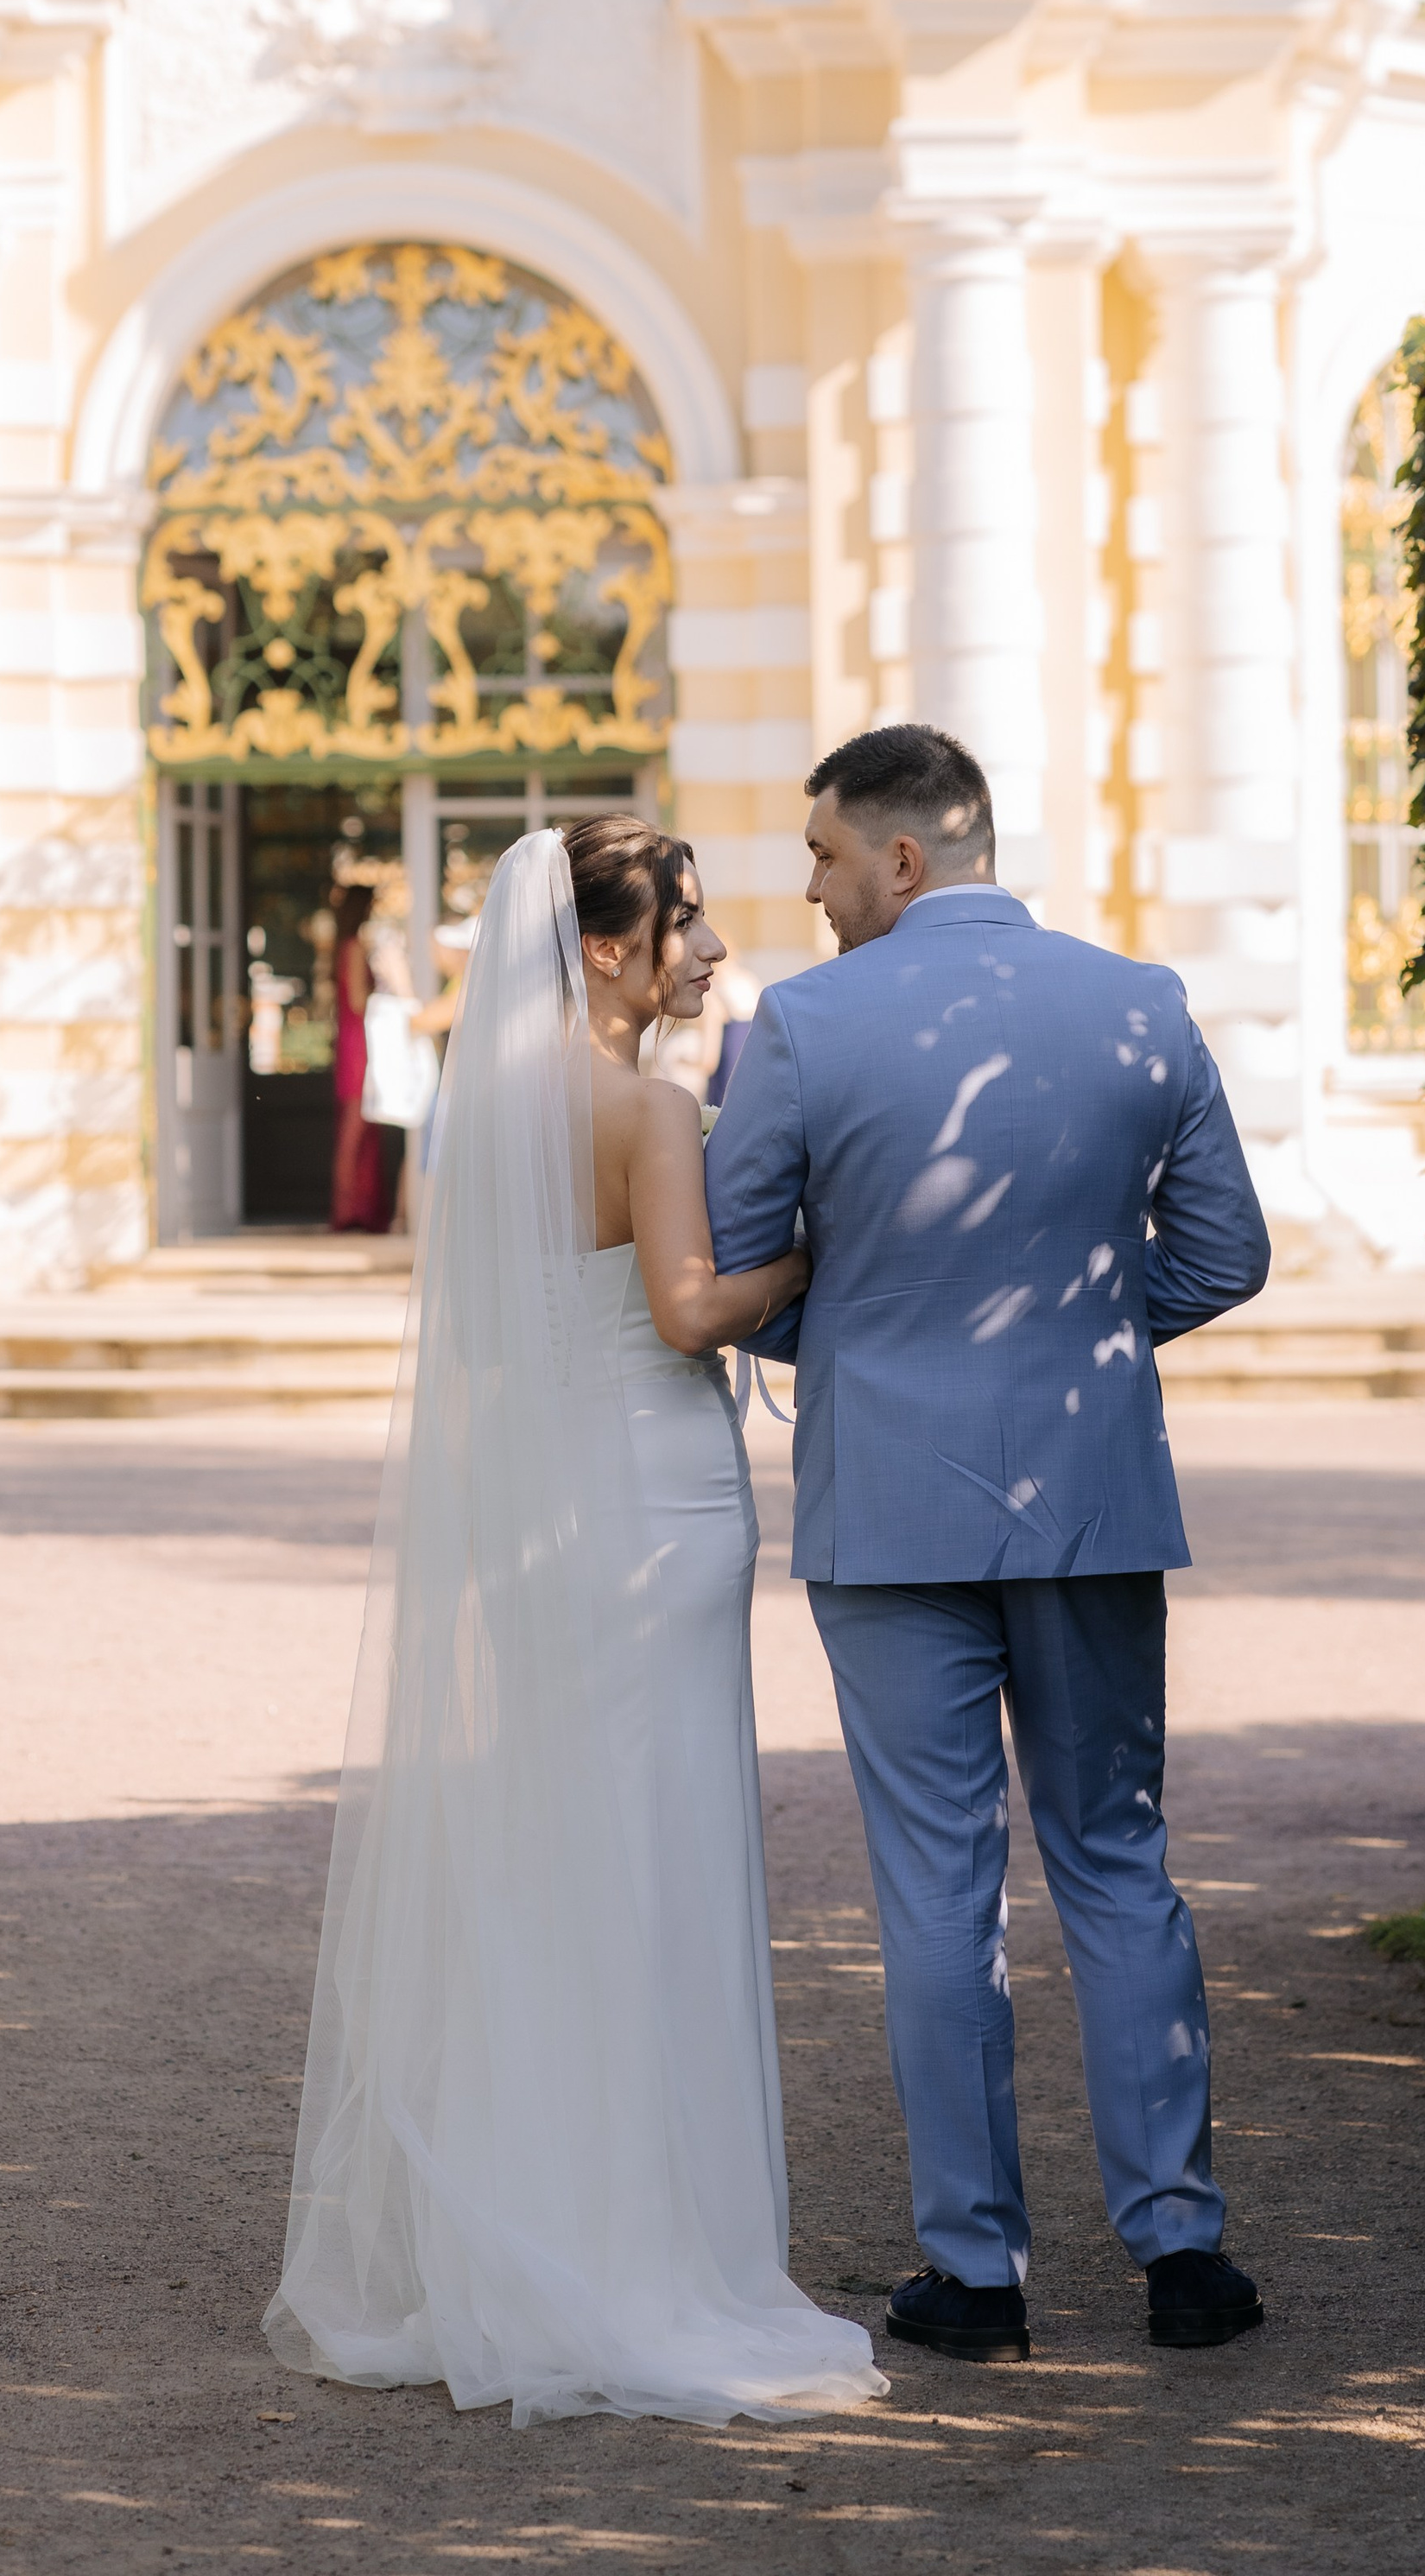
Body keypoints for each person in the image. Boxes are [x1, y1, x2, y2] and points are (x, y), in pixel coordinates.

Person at [264, 819, 885, 2427]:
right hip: (656, 1502)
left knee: (557, 1866)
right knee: (659, 1867)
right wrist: (802, 1260)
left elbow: (482, 1353)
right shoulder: (650, 1105)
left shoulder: (482, 1113)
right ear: (606, 949)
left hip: (542, 1516)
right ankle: (639, 2257)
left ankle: (524, 2225)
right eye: (686, 928)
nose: (711, 954)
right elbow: (687, 1310)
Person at [705, 722, 1273, 2363]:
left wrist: (874, 1337)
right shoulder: (1143, 1003)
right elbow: (1224, 1252)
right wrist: (1087, 1342)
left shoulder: (803, 1030)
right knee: (1118, 1861)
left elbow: (748, 1257)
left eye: (821, 855)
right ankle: (1184, 2258)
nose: (806, 892)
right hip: (1093, 1495)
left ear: (902, 857)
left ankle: (978, 2278)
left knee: (937, 1893)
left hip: (888, 1507)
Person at [327, 882, 390, 1234]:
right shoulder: (353, 947)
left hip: (355, 1043)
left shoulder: (345, 945)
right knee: (356, 1131)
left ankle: (358, 1210)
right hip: (359, 1046)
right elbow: (357, 1000)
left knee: (358, 1130)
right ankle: (349, 1210)